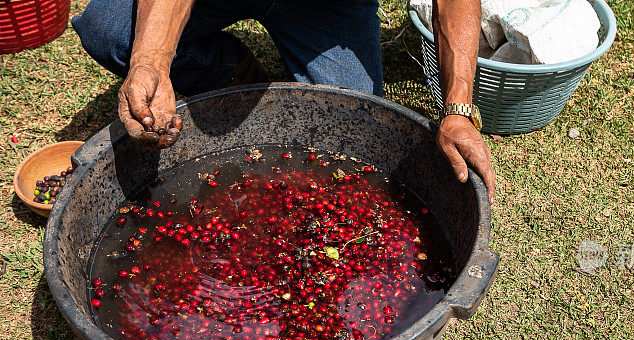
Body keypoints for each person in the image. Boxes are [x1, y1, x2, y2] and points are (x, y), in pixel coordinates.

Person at [72, 0, 496, 199]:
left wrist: (457, 109)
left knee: (349, 134)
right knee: (111, 33)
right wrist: (151, 60)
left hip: (325, 8)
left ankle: (250, 71)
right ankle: (229, 71)